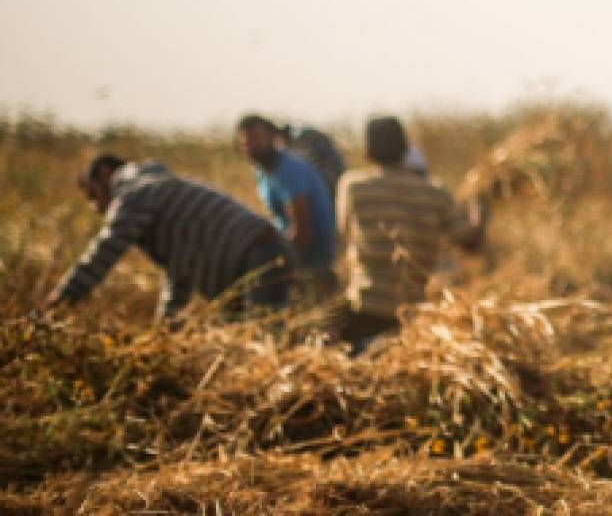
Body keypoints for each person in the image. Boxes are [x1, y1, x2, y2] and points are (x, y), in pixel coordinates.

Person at [48, 155, 293, 322]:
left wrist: (59, 302)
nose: (94, 207)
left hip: (259, 257)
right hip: (255, 259)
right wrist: (167, 326)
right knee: (241, 338)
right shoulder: (158, 189)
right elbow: (179, 270)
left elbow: (102, 255)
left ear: (105, 174)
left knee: (264, 337)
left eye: (93, 195)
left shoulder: (135, 194)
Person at [329, 116, 486, 351]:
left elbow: (343, 235)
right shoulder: (435, 193)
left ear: (368, 154)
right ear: (405, 151)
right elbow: (469, 243)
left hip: (364, 308)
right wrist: (481, 207)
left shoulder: (352, 187)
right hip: (412, 314)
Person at [236, 114, 338, 298]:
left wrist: (280, 266)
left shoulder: (288, 170)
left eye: (258, 140)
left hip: (312, 259)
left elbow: (302, 230)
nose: (253, 147)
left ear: (273, 138)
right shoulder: (263, 170)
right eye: (247, 143)